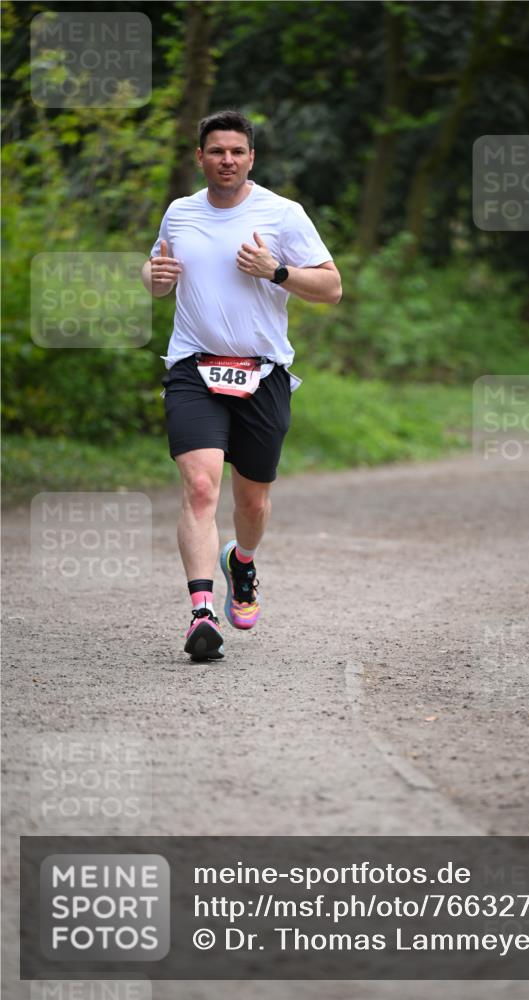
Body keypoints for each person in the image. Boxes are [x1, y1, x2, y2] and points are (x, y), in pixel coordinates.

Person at [142, 109, 342, 661]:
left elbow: (331, 288)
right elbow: (157, 271)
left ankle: (243, 561)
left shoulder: (283, 213)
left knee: (251, 501)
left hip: (263, 372)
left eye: (236, 151)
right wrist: (152, 279)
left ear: (251, 158)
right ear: (200, 157)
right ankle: (201, 614)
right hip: (192, 368)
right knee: (202, 488)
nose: (226, 160)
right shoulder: (180, 213)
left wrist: (276, 271)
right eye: (215, 151)